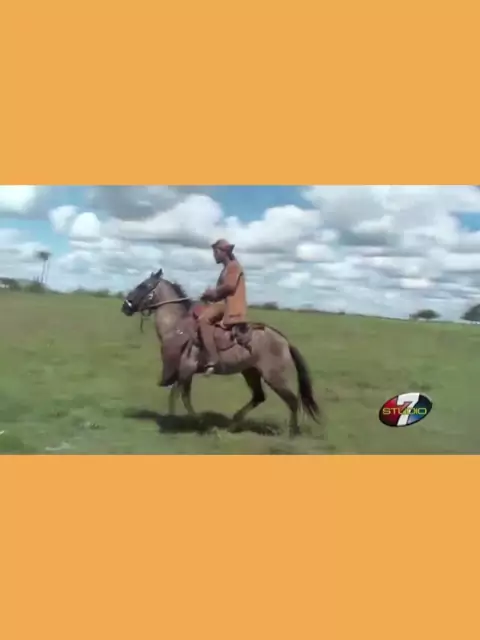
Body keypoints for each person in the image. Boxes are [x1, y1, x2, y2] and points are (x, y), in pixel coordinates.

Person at [198, 238, 248, 375]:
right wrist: (209, 296)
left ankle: (213, 359)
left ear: (224, 252)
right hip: (223, 303)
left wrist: (213, 292)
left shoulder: (233, 266)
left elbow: (230, 287)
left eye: (215, 252)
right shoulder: (226, 269)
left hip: (230, 306)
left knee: (203, 320)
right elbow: (221, 293)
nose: (214, 255)